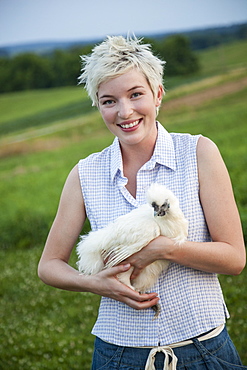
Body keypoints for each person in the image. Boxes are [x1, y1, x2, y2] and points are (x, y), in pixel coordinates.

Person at [38, 35, 246, 369]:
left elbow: (234, 258)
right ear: (98, 105)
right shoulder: (85, 174)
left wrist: (162, 248)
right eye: (109, 101)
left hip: (204, 350)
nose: (125, 111)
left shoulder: (198, 153)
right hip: (118, 355)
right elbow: (49, 266)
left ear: (158, 93)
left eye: (136, 94)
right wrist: (96, 284)